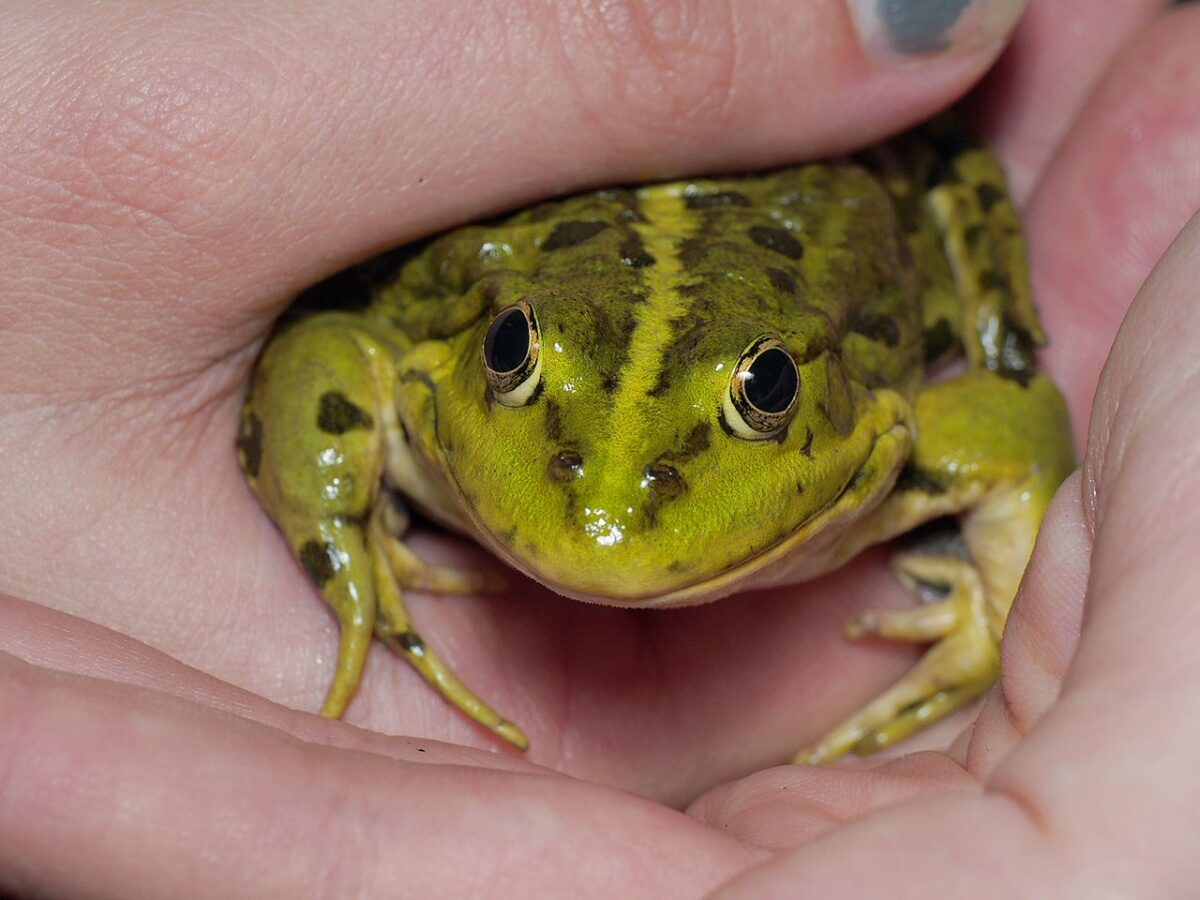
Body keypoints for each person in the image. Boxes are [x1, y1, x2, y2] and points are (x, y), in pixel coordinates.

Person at [2, 0, 1197, 894]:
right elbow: (332, 351)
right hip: (566, 226)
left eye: (763, 399)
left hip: (820, 212)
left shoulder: (899, 432)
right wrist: (329, 519)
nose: (608, 504)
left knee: (956, 226)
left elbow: (1018, 418)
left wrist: (992, 617)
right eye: (514, 362)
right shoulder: (424, 375)